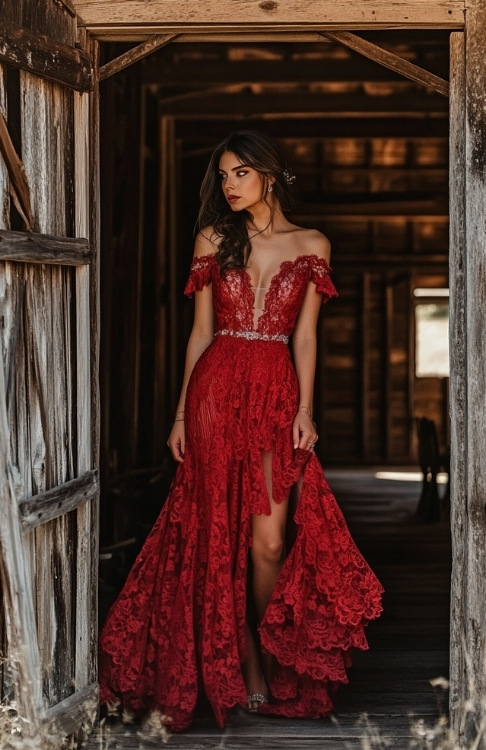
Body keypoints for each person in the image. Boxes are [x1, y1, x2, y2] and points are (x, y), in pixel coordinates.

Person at [99, 130, 383, 732]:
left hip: (276, 394)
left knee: (269, 542)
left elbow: (305, 335)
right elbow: (200, 332)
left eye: (239, 174)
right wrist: (180, 413)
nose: (228, 186)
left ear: (269, 176)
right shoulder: (212, 237)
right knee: (214, 530)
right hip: (214, 392)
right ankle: (248, 666)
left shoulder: (312, 245)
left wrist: (305, 409)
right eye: (222, 176)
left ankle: (272, 654)